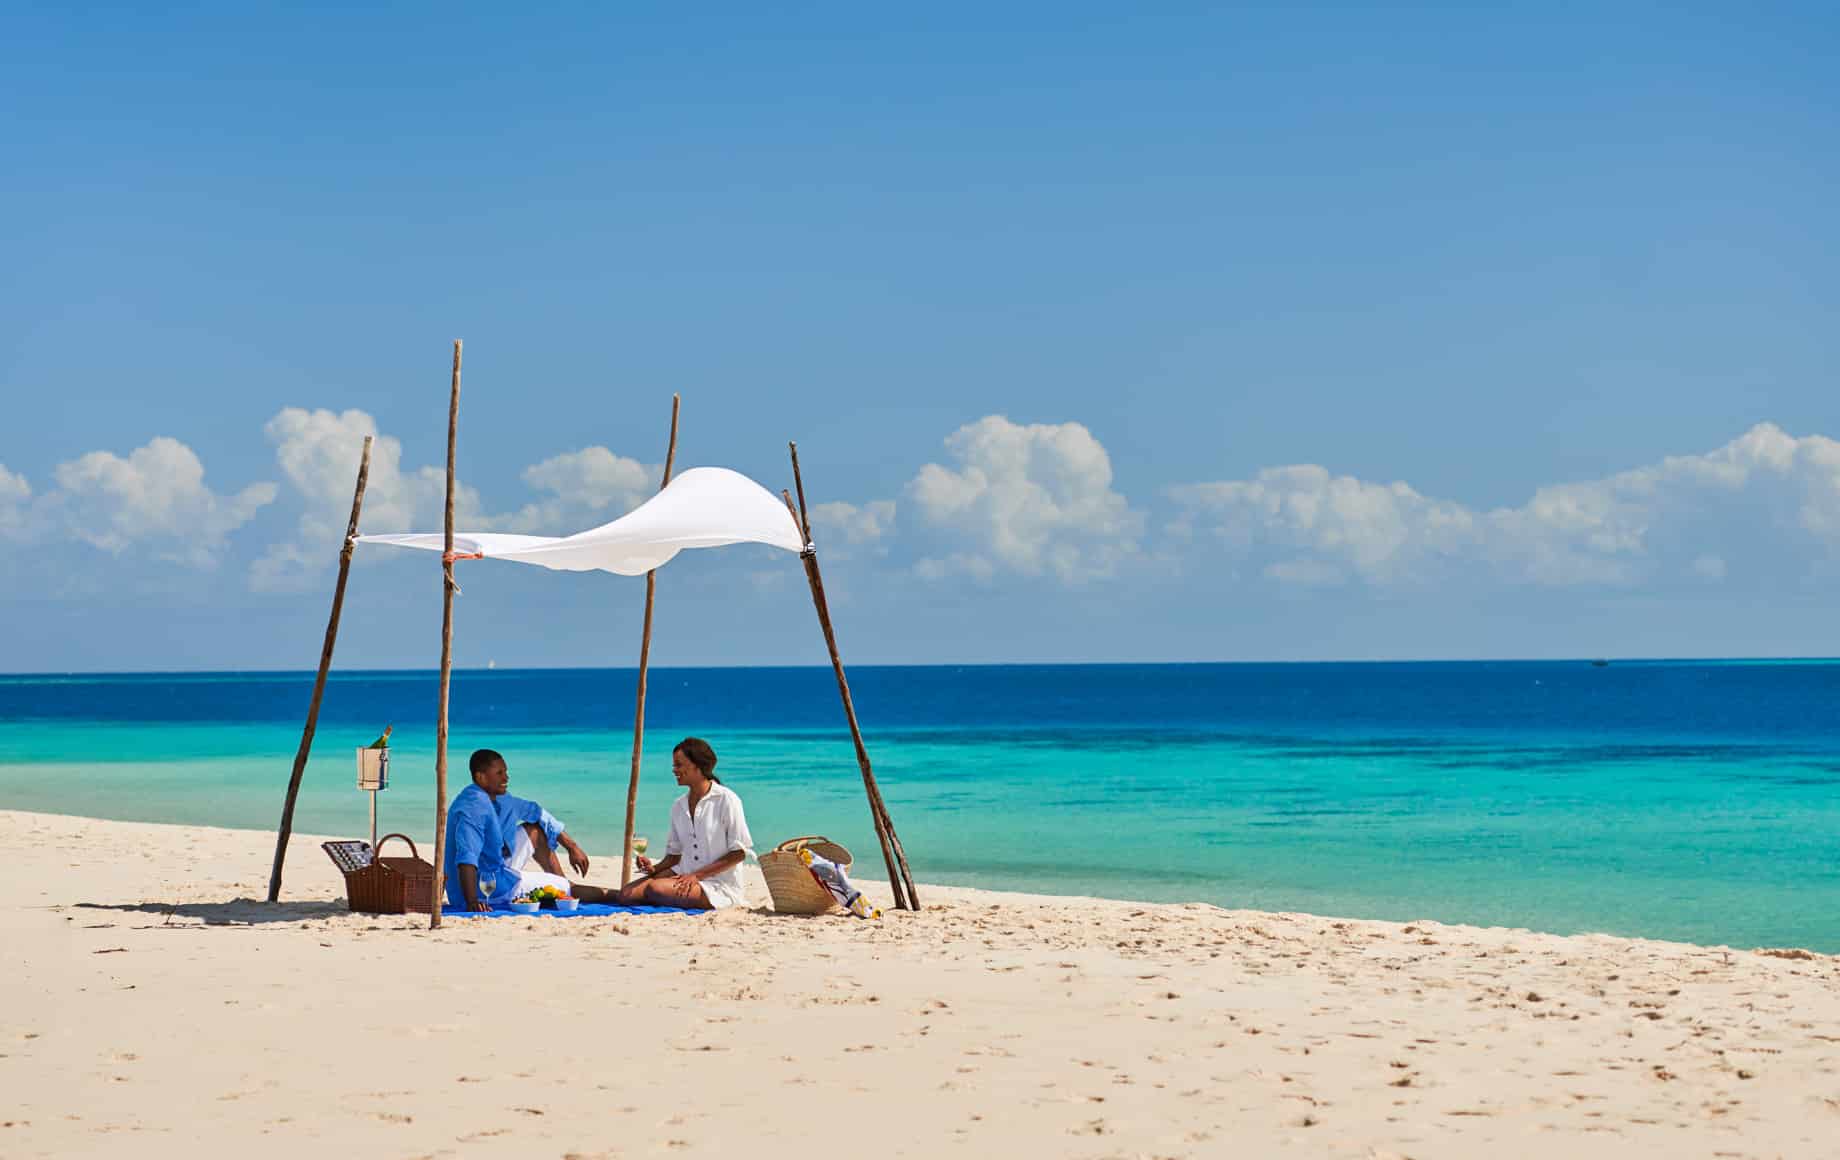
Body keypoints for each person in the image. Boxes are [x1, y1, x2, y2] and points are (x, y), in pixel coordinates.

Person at [444, 748, 621, 911]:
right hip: (483, 887)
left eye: (505, 772)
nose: (506, 778)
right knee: (566, 886)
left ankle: (562, 888)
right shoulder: (473, 807)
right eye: (499, 773)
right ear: (481, 777)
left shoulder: (501, 799)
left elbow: (537, 813)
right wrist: (472, 902)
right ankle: (614, 895)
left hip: (495, 865)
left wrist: (572, 847)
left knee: (535, 830)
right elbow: (466, 858)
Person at [618, 737, 754, 910]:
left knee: (655, 888)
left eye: (679, 765)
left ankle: (664, 894)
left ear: (698, 766)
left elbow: (739, 853)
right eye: (674, 765)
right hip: (684, 873)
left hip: (719, 883)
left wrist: (696, 876)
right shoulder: (678, 805)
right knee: (626, 895)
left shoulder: (727, 800)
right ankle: (664, 894)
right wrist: (654, 869)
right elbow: (674, 856)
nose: (674, 770)